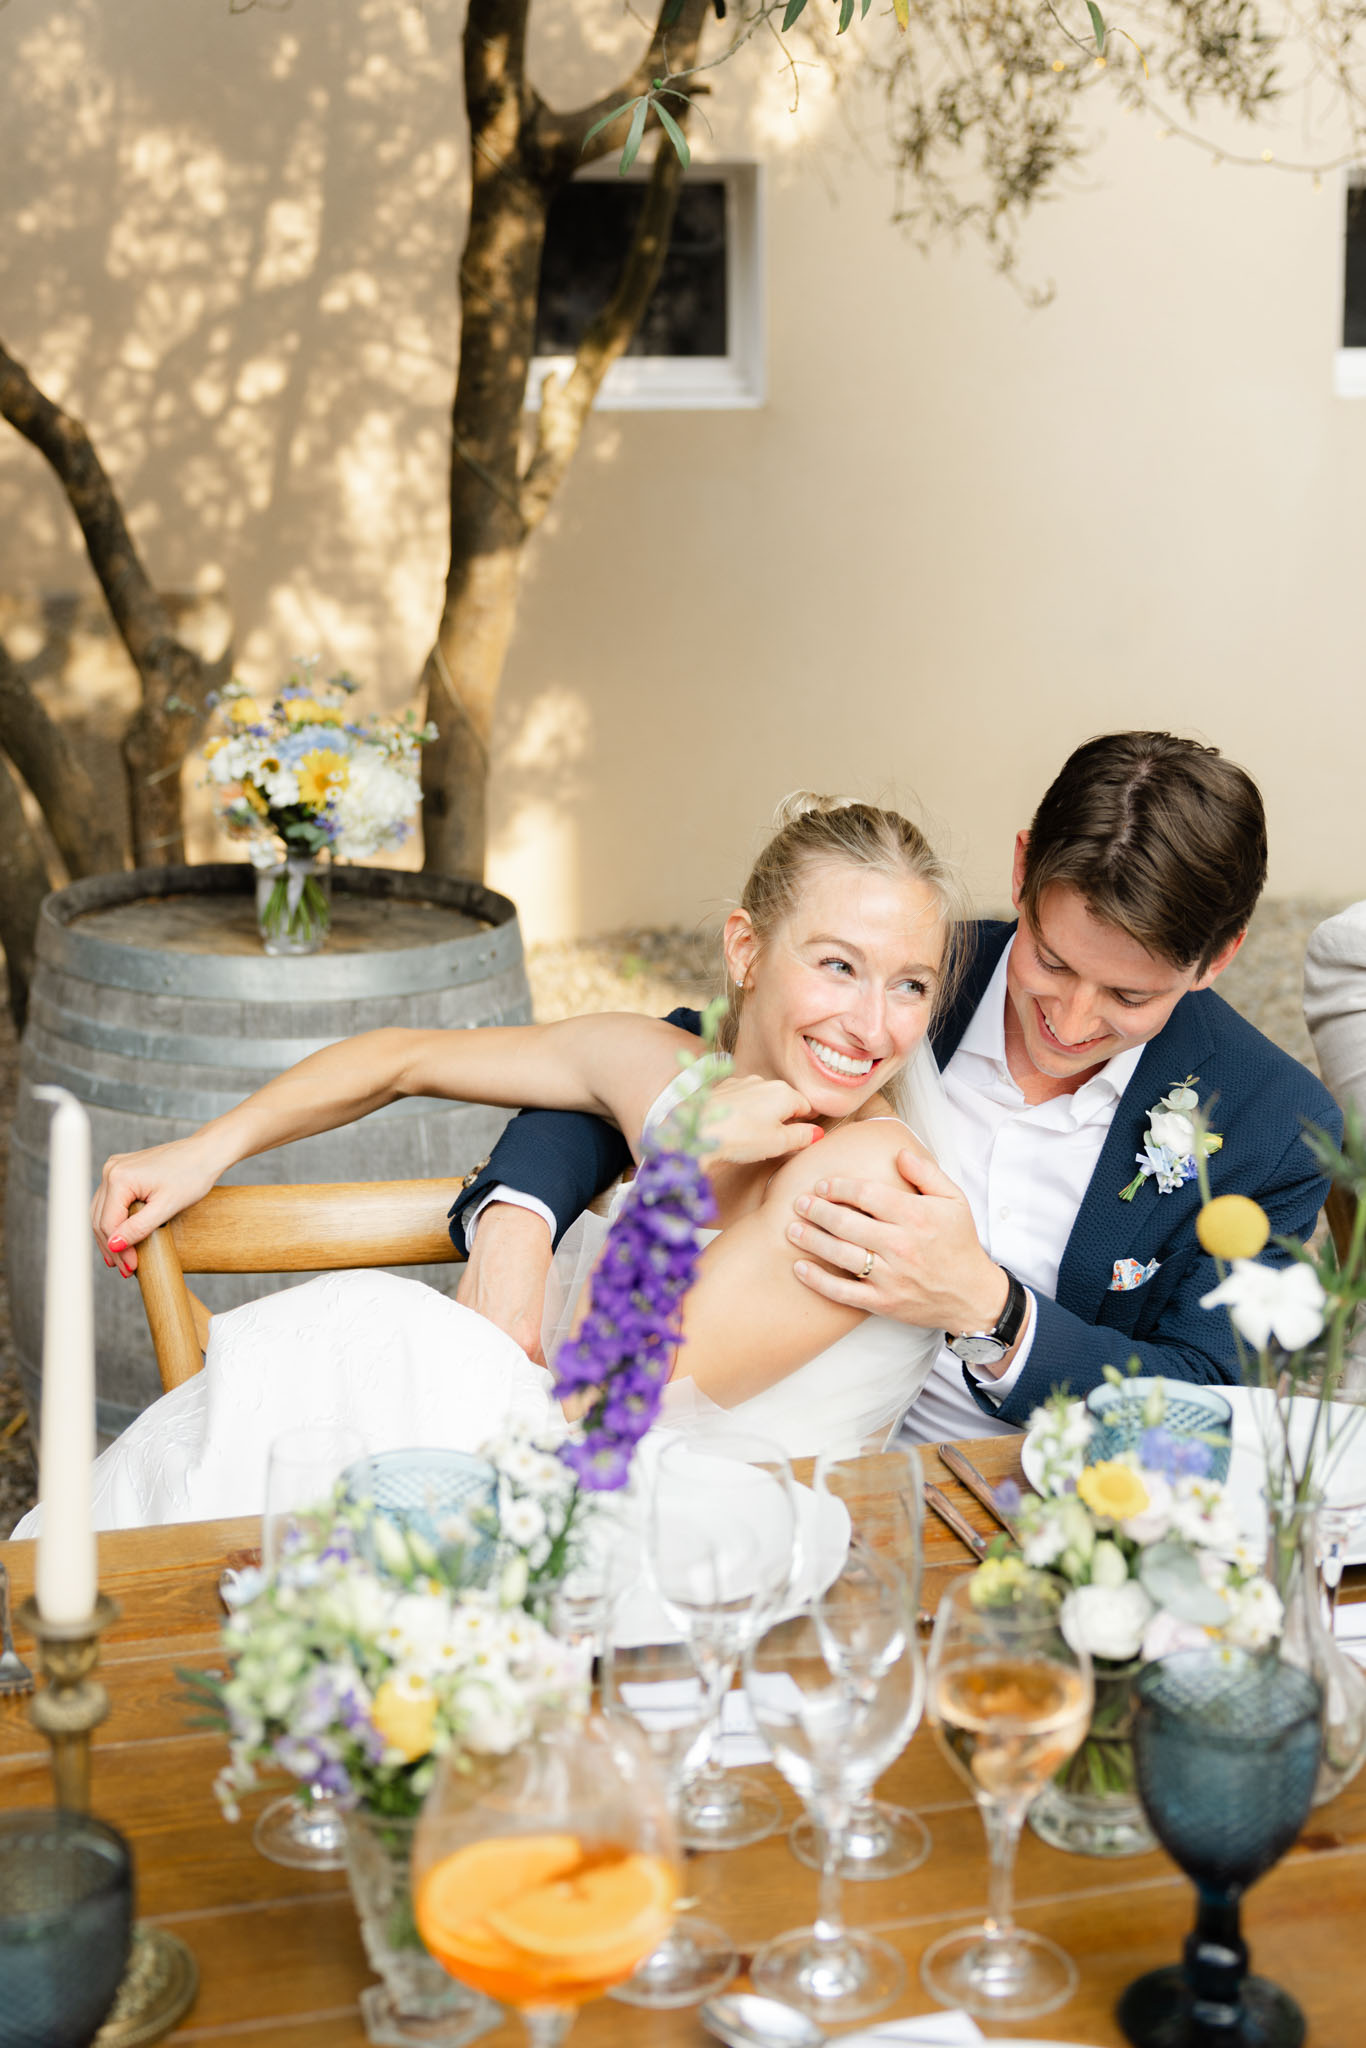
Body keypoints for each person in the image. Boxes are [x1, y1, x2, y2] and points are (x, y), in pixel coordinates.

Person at [64, 798, 966, 1528]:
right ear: (746, 950)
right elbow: (400, 1058)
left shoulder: (867, 1178)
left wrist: (681, 1161)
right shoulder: (662, 1071)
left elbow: (596, 1397)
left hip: (685, 1556)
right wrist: (205, 1148)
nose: (873, 1023)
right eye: (839, 966)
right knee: (304, 1387)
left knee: (354, 1345)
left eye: (910, 984)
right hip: (538, 1474)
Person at [453, 733, 1342, 1446]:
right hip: (779, 1450)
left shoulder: (1270, 1121)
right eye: (1053, 962)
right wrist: (516, 1218)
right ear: (1024, 870)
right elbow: (681, 1049)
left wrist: (992, 1310)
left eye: (1128, 996)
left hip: (1049, 1510)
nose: (1070, 1021)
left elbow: (1214, 1400)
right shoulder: (906, 968)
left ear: (1218, 959)